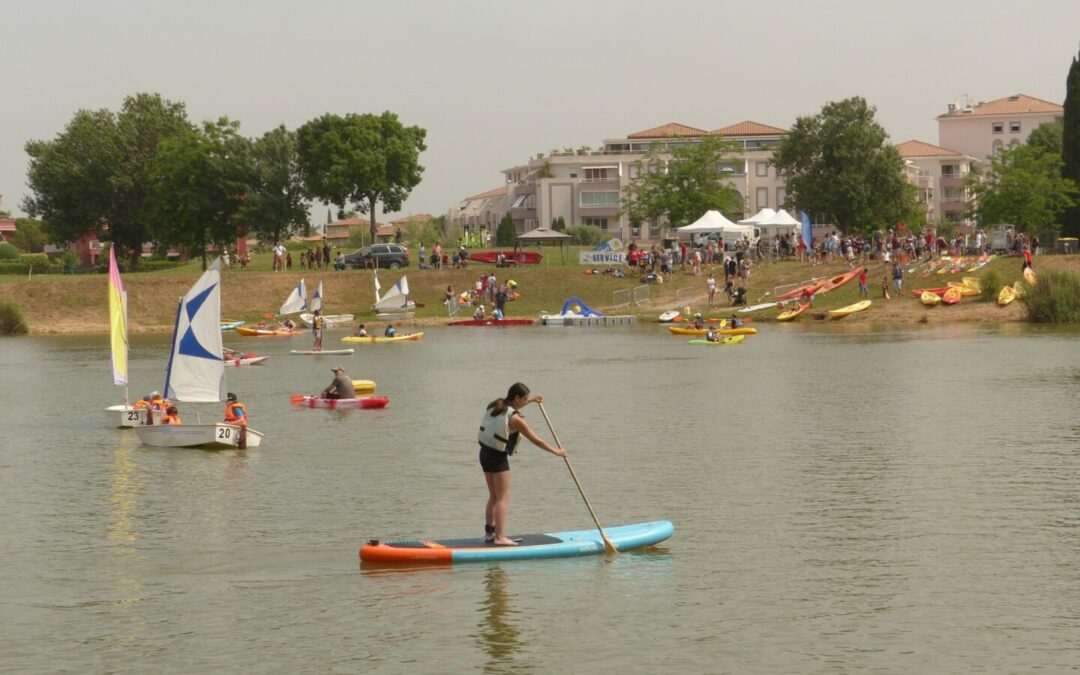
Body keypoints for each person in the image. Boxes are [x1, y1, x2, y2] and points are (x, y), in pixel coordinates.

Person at [477, 383, 567, 546]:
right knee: (503, 498)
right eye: (524, 399)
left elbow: (509, 411)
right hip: (498, 458)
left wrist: (531, 401)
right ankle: (500, 537)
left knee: (494, 496)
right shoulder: (516, 420)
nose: (526, 401)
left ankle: (489, 534)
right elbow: (536, 440)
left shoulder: (495, 405)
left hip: (484, 453)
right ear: (517, 398)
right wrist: (556, 451)